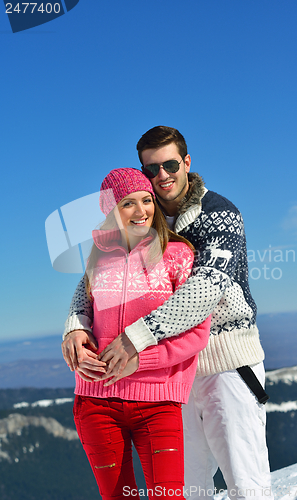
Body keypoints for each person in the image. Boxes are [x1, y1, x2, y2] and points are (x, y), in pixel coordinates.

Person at [62, 127, 273, 500]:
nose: (162, 176)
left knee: (246, 484)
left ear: (187, 163)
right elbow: (94, 280)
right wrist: (75, 324)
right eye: (152, 169)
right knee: (190, 489)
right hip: (169, 377)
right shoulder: (145, 214)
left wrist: (135, 340)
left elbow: (205, 288)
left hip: (225, 365)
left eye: (170, 164)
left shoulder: (219, 213)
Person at [63, 167, 211, 500]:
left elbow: (197, 332)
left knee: (169, 496)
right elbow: (83, 310)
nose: (141, 210)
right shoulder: (98, 258)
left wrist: (140, 360)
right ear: (110, 211)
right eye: (128, 203)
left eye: (146, 200)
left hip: (158, 403)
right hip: (96, 400)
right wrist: (74, 332)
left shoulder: (177, 255)